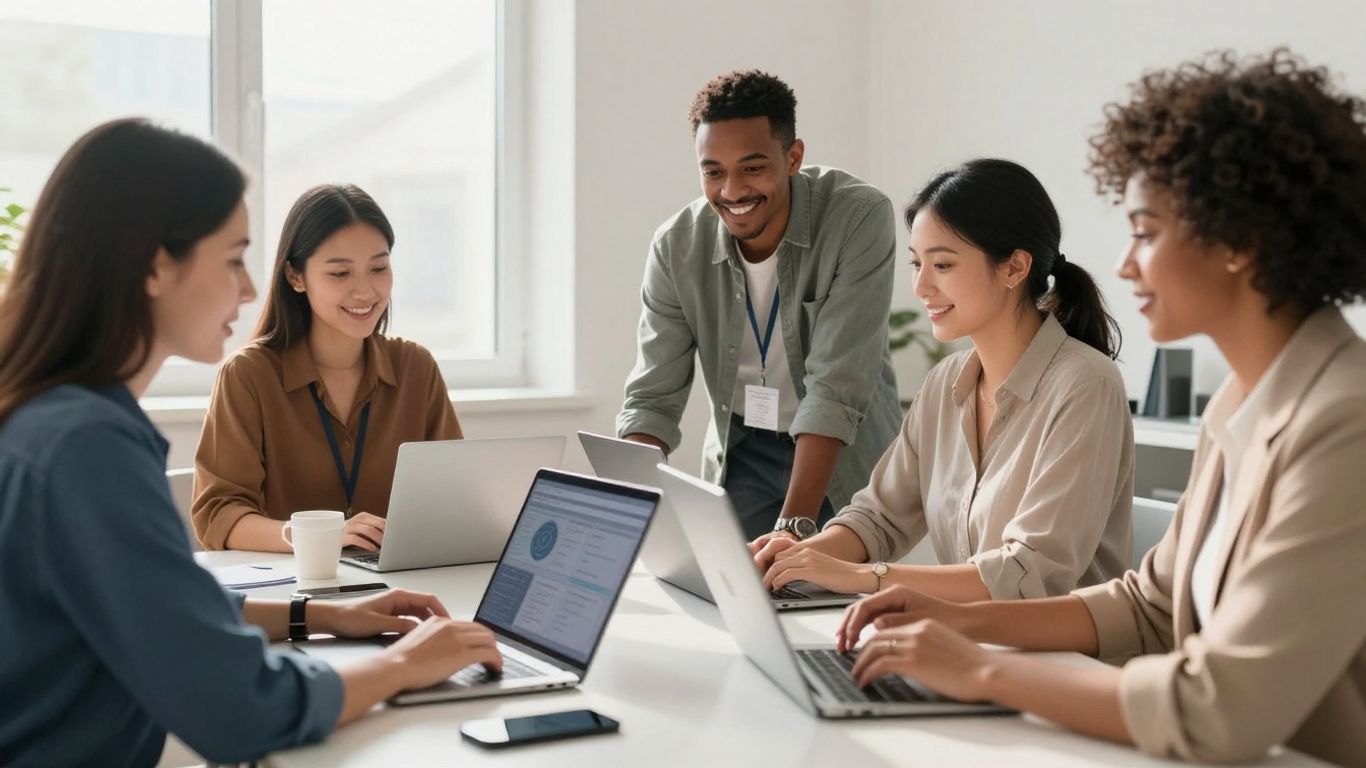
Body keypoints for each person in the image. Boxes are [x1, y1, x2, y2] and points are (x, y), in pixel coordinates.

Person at [834, 50, 1366, 766]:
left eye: (1145, 231)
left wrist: (981, 669)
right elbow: (1150, 605)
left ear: (1239, 240)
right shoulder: (1243, 401)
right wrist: (955, 617)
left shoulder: (1345, 420)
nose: (1122, 263)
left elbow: (1218, 708)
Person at [0, 119, 500, 767]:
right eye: (234, 258)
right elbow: (240, 707)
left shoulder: (54, 419)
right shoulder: (87, 447)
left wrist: (325, 616)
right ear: (155, 266)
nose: (248, 288)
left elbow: (165, 607)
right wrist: (405, 665)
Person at [754, 158, 1133, 602]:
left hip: (1057, 644)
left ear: (1014, 268)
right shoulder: (944, 384)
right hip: (963, 635)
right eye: (917, 264)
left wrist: (863, 577)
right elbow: (879, 518)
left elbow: (1028, 574)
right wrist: (792, 558)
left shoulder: (1086, 387)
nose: (921, 287)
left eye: (943, 265)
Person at [617, 69, 903, 541]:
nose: (732, 191)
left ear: (793, 157)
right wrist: (623, 513)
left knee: (820, 583)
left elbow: (835, 387)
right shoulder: (676, 246)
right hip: (743, 449)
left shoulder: (857, 217)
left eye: (752, 168)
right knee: (726, 579)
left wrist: (790, 529)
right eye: (713, 172)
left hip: (840, 450)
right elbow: (653, 396)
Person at [192, 183, 462, 551]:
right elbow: (218, 516)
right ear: (295, 276)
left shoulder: (416, 367)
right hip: (292, 581)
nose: (365, 291)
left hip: (397, 578)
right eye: (340, 274)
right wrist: (318, 536)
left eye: (378, 268)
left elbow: (455, 497)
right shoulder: (248, 375)